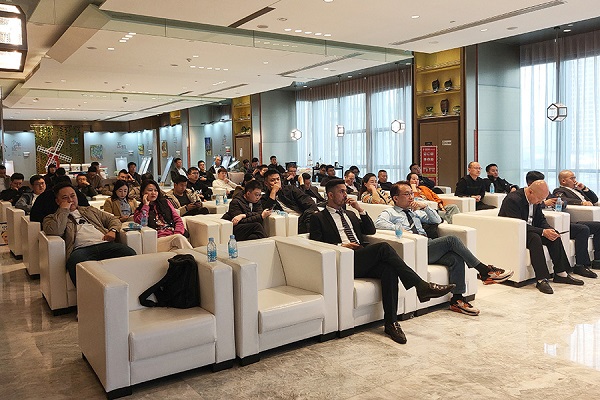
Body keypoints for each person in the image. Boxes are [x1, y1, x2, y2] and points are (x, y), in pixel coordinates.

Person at [310, 179, 455, 343]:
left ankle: (391, 323)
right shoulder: (319, 218)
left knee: (389, 269)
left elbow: (370, 230)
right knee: (383, 247)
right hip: (342, 259)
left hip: (361, 257)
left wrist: (360, 210)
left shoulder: (350, 214)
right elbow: (316, 244)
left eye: (345, 191)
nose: (345, 194)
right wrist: (341, 246)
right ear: (330, 195)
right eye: (341, 192)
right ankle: (421, 285)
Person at [375, 181, 514, 315]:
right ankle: (484, 270)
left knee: (455, 258)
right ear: (396, 198)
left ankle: (457, 299)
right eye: (407, 194)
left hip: (427, 244)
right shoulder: (390, 212)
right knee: (451, 240)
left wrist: (425, 207)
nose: (411, 197)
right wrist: (398, 228)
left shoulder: (415, 212)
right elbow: (378, 223)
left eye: (412, 193)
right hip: (414, 247)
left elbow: (437, 220)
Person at [498, 179, 584, 294]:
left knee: (554, 235)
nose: (541, 202)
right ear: (530, 192)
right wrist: (543, 232)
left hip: (529, 230)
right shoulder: (513, 200)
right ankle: (541, 279)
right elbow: (517, 224)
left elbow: (540, 219)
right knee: (535, 238)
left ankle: (561, 273)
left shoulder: (536, 200)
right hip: (514, 232)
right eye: (539, 199)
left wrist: (548, 229)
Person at [42, 183, 136, 286]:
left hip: (104, 243)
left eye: (73, 196)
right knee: (76, 263)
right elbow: (55, 231)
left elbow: (112, 219)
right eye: (65, 198)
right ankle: (88, 294)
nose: (70, 200)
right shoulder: (51, 218)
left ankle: (130, 288)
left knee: (129, 253)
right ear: (57, 201)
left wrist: (113, 230)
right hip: (81, 249)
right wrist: (63, 210)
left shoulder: (89, 210)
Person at [528, 171, 599, 277]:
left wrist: (584, 188)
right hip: (555, 221)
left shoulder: (574, 190)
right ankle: (580, 265)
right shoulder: (559, 190)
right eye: (572, 178)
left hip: (562, 219)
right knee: (583, 229)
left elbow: (564, 201)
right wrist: (544, 203)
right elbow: (561, 199)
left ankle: (597, 260)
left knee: (597, 226)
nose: (574, 180)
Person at [134, 180, 193, 252]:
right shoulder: (139, 210)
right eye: (150, 190)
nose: (153, 193)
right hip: (158, 240)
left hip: (173, 235)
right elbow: (143, 224)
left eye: (156, 190)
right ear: (143, 193)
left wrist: (177, 233)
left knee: (178, 247)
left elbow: (178, 219)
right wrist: (146, 205)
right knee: (178, 239)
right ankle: (195, 256)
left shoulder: (165, 203)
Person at [261, 169, 319, 234]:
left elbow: (306, 199)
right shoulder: (265, 198)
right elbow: (267, 210)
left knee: (312, 214)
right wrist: (273, 192)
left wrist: (315, 211)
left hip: (302, 217)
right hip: (289, 222)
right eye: (272, 180)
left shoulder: (290, 189)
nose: (276, 182)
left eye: (278, 179)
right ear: (266, 183)